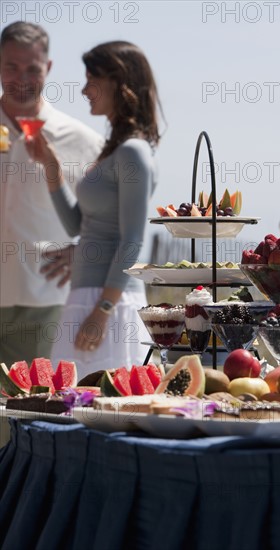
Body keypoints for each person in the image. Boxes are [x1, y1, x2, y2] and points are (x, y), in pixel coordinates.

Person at [27, 40, 162, 379]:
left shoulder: (133, 153)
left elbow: (132, 240)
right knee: (69, 411)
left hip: (110, 306)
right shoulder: (114, 153)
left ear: (118, 82)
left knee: (100, 411)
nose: (84, 89)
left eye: (91, 79)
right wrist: (51, 168)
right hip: (87, 300)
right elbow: (78, 226)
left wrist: (102, 312)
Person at [0, 21, 104, 367]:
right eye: (10, 67)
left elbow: (113, 219)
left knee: (29, 413)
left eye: (32, 69)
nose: (21, 79)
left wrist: (85, 250)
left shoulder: (83, 141)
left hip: (43, 303)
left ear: (48, 68)